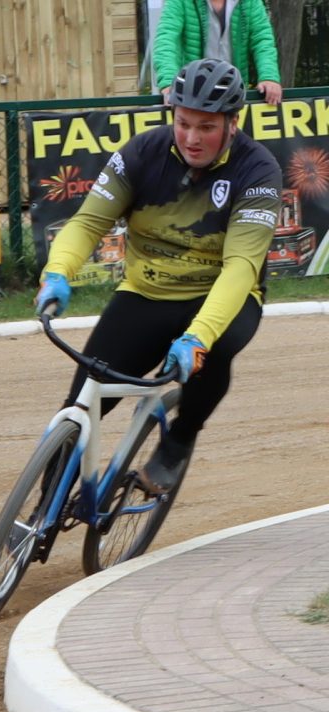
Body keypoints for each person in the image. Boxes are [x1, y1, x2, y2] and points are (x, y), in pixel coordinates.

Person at [36, 58, 281, 494]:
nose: (192, 138)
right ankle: (42, 512)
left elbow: (241, 266)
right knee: (81, 406)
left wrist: (199, 336)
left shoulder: (258, 170)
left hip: (221, 294)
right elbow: (88, 222)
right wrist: (58, 272)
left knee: (216, 352)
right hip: (146, 291)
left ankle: (179, 440)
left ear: (233, 123)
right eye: (183, 123)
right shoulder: (143, 152)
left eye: (207, 127)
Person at [153, 0, 282, 106]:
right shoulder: (179, 2)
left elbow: (262, 40)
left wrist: (269, 77)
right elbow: (166, 39)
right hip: (191, 95)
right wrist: (169, 82)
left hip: (233, 94)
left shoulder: (250, 2)